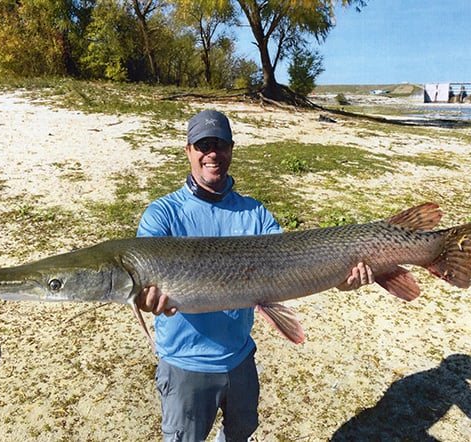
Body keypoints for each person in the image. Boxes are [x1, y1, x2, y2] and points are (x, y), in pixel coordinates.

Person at [136, 109, 373, 442]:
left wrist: (342, 278)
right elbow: (145, 280)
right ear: (188, 150)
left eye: (220, 144)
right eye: (203, 145)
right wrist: (146, 299)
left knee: (240, 434)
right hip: (185, 365)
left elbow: (291, 266)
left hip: (241, 360)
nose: (212, 153)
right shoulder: (162, 214)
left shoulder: (255, 213)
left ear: (232, 149)